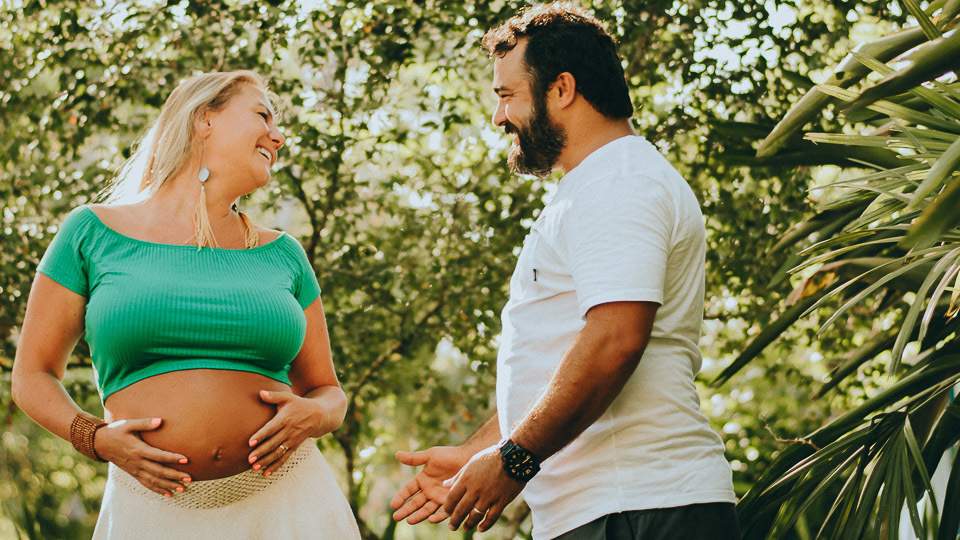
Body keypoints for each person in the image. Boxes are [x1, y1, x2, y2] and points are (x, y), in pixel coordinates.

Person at [390, 3, 739, 539]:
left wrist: (513, 462)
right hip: (613, 509)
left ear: (562, 90)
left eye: (507, 95)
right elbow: (561, 358)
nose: (498, 116)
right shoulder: (596, 183)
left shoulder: (619, 182)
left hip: (639, 507)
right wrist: (476, 452)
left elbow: (615, 341)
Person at [11, 70, 361, 539]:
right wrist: (94, 438)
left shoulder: (285, 254)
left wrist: (315, 414)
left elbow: (328, 391)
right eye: (262, 115)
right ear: (204, 119)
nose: (277, 136)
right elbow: (32, 375)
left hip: (289, 503)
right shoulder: (90, 234)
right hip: (150, 511)